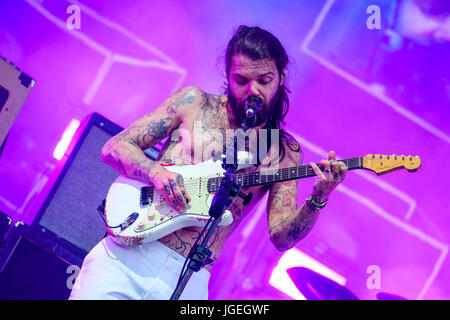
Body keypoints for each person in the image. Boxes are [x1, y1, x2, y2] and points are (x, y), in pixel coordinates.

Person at [69, 25, 348, 300]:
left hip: (190, 277)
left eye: (264, 80)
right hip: (126, 258)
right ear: (227, 75)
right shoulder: (193, 103)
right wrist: (155, 172)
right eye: (241, 80)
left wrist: (318, 197)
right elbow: (114, 147)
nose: (253, 91)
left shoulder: (284, 151)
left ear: (281, 75)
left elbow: (282, 238)